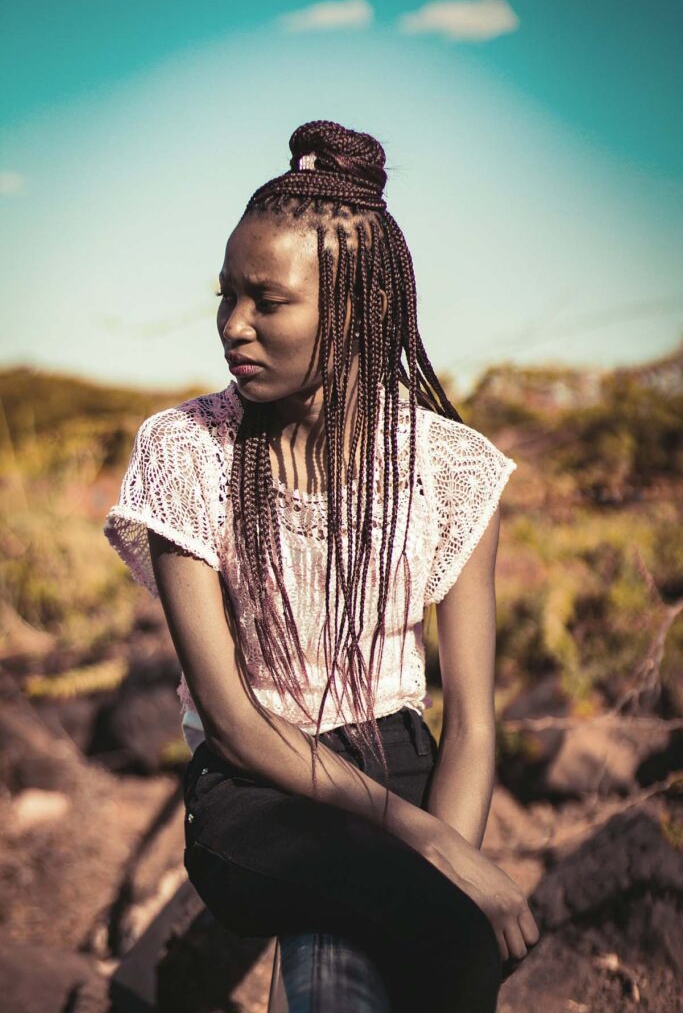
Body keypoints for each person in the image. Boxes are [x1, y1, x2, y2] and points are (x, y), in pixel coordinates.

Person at [104, 119, 540, 1012]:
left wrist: (442, 863)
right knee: (412, 911)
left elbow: (470, 724)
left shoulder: (447, 473)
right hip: (254, 789)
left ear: (361, 308)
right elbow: (228, 719)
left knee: (436, 940)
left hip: (400, 761)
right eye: (227, 296)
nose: (235, 325)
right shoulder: (186, 453)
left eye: (268, 301)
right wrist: (431, 851)